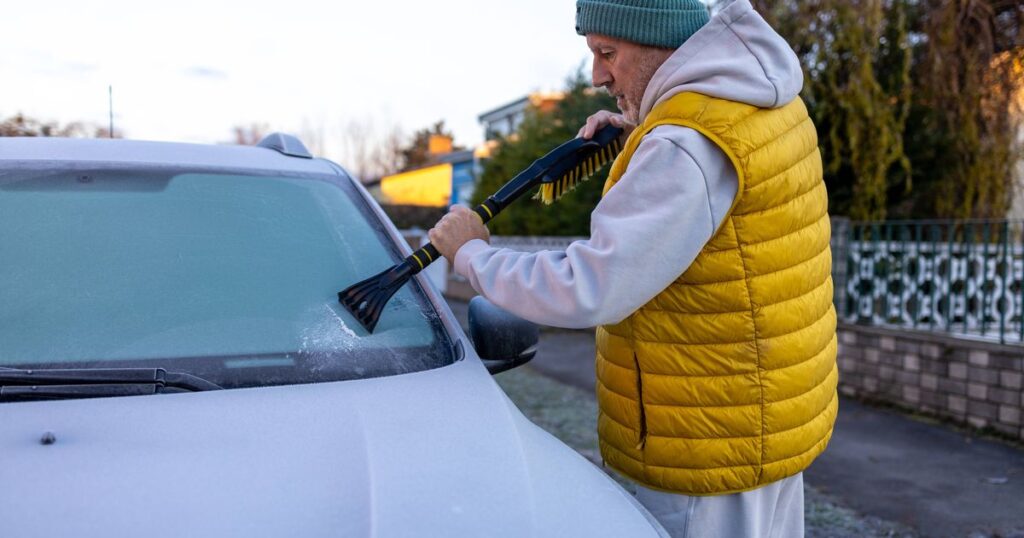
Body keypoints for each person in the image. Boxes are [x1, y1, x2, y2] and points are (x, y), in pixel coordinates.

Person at [429, 0, 838, 535]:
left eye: (607, 52)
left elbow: (589, 287)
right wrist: (643, 128)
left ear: (657, 40)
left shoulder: (684, 145)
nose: (598, 75)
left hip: (699, 447)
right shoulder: (757, 102)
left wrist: (472, 254)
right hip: (763, 422)